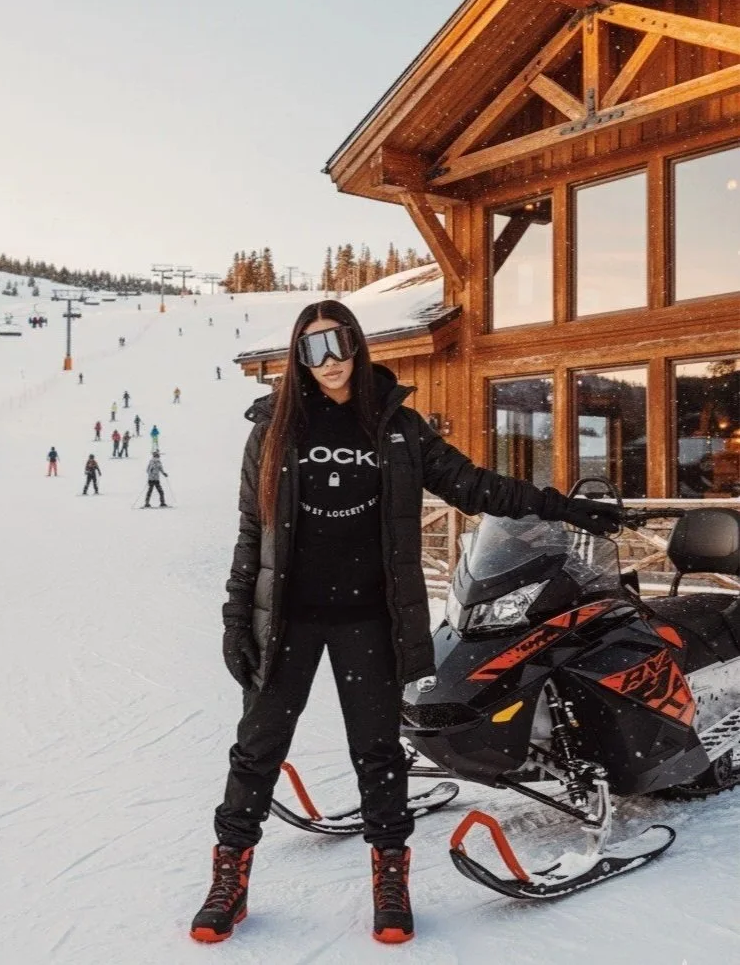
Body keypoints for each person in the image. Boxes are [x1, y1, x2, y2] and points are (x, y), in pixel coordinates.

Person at [188, 301, 618, 945]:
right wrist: (234, 617)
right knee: (257, 749)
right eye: (311, 348)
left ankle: (391, 878)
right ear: (298, 360)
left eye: (336, 343)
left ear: (358, 346)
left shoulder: (397, 427)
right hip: (288, 621)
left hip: (370, 619)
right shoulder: (274, 430)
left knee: (379, 752)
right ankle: (229, 880)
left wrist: (562, 508)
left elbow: (474, 486)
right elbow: (253, 533)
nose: (327, 359)